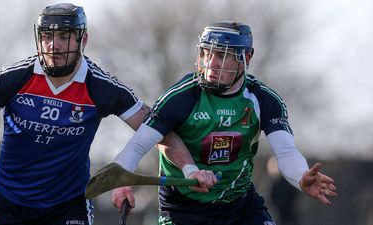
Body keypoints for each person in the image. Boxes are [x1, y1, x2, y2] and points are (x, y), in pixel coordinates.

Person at [0, 3, 215, 225]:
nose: (53, 46)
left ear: (82, 39)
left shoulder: (102, 88)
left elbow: (159, 131)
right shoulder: (13, 78)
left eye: (63, 36)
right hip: (11, 201)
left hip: (68, 204)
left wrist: (190, 168)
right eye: (47, 37)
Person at [111, 20, 338, 225]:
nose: (212, 63)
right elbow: (138, 144)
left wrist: (300, 177)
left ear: (245, 59)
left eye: (222, 55)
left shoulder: (263, 100)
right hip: (182, 211)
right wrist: (121, 181)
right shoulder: (180, 96)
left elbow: (286, 151)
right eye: (207, 54)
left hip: (239, 207)